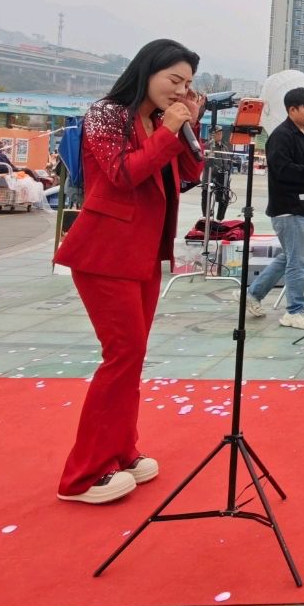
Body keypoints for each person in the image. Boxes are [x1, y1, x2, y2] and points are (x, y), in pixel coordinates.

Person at [52, 39, 205, 504]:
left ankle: (121, 451)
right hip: (105, 253)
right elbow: (123, 174)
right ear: (147, 71)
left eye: (187, 84)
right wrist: (170, 128)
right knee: (122, 355)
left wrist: (188, 126)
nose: (180, 91)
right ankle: (83, 476)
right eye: (174, 80)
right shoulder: (107, 114)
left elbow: (191, 172)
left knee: (132, 357)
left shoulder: (158, 120)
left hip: (143, 254)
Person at [245, 87, 304, 330]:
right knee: (300, 261)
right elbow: (282, 170)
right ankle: (294, 311)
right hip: (289, 208)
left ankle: (253, 294)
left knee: (290, 257)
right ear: (292, 110)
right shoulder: (281, 136)